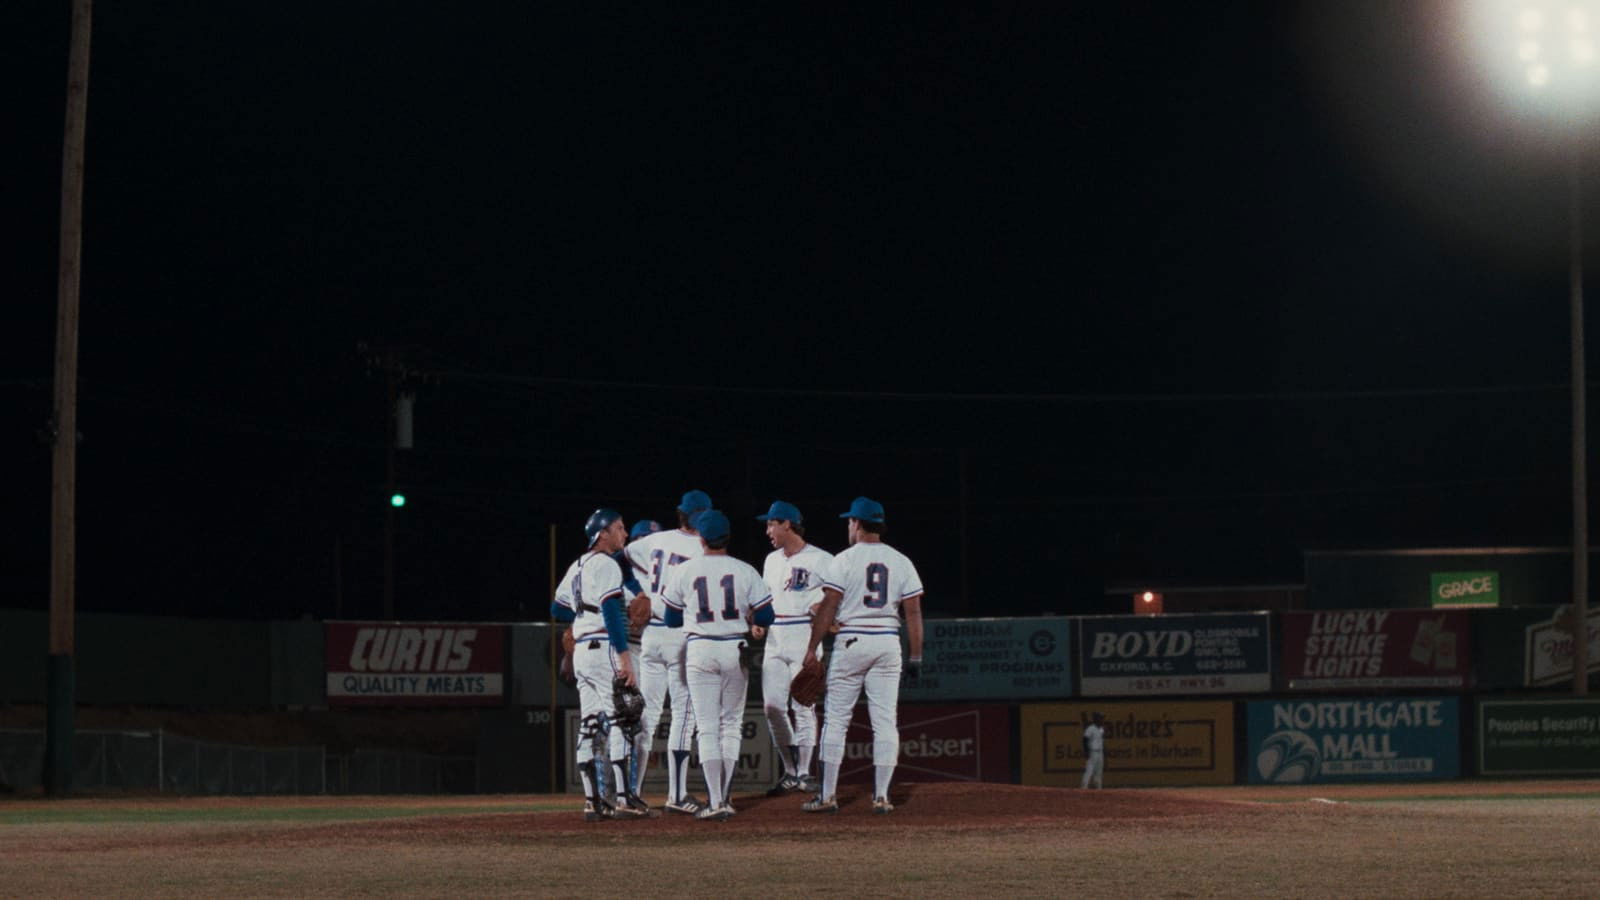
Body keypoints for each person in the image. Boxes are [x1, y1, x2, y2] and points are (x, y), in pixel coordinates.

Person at [799, 497, 924, 815]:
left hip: (853, 641)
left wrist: (812, 647)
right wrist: (916, 658)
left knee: (836, 720)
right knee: (885, 721)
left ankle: (827, 796)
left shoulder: (844, 559)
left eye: (850, 521)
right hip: (887, 641)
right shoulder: (901, 560)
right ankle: (881, 797)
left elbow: (829, 606)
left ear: (857, 523)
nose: (848, 526)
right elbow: (913, 613)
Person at [662, 509, 774, 821]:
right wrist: (747, 614)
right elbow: (766, 615)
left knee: (707, 727)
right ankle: (725, 798)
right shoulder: (744, 569)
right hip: (735, 647)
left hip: (700, 649)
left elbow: (670, 618)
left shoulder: (685, 570)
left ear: (701, 538)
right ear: (727, 537)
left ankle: (714, 802)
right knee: (731, 725)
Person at [550, 508, 646, 821]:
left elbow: (557, 608)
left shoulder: (577, 564)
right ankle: (624, 800)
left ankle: (593, 802)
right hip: (604, 646)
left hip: (582, 651)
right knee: (624, 719)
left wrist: (582, 614)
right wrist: (624, 656)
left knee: (590, 724)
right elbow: (610, 610)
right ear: (602, 533)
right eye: (619, 527)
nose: (624, 533)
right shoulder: (606, 564)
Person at [623, 489, 713, 814]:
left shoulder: (656, 541)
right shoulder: (704, 549)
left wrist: (640, 593)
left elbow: (620, 557)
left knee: (646, 716)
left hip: (651, 638)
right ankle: (676, 795)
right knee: (683, 717)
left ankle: (630, 794)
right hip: (680, 638)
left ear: (681, 513)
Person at [752, 500, 834, 795]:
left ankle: (804, 773)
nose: (767, 531)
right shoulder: (771, 560)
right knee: (772, 707)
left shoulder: (822, 559)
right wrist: (758, 620)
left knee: (803, 704)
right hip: (776, 635)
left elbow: (837, 596)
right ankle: (789, 770)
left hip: (803, 633)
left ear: (787, 524)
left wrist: (824, 608)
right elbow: (765, 597)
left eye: (771, 524)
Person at [1081, 711, 1106, 789]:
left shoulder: (1101, 729)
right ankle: (1083, 788)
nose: (1102, 719)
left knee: (1099, 772)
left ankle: (1098, 789)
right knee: (1089, 770)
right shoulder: (1090, 728)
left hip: (1100, 752)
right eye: (1100, 718)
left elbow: (1102, 742)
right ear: (1096, 719)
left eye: (1102, 718)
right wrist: (1086, 751)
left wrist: (1104, 753)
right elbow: (1085, 740)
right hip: (1092, 752)